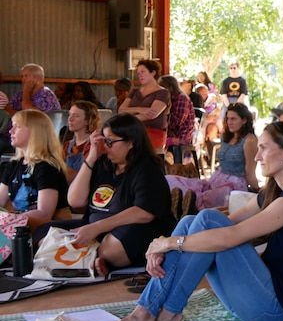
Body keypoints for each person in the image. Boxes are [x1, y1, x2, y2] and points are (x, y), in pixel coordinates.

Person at [106, 121, 283, 321]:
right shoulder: (275, 193)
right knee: (190, 221)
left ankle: (158, 312)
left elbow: (229, 234)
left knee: (206, 220)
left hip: (276, 309)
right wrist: (166, 243)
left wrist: (168, 243)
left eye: (263, 148)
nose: (256, 156)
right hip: (260, 298)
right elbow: (225, 222)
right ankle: (153, 313)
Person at [34, 114, 174, 276]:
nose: (105, 146)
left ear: (131, 142)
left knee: (118, 243)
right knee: (43, 231)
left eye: (110, 141)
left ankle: (89, 258)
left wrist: (97, 228)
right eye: (103, 141)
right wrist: (92, 156)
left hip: (129, 230)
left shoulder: (146, 170)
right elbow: (75, 201)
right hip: (96, 230)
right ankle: (94, 260)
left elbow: (144, 213)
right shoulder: (104, 164)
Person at [167, 103, 259, 210]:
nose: (229, 122)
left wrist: (258, 190)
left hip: (234, 184)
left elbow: (250, 171)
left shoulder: (249, 140)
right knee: (169, 179)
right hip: (216, 178)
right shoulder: (226, 136)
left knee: (206, 198)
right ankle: (184, 204)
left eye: (233, 119)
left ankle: (191, 207)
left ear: (244, 120)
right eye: (228, 118)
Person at [0, 110, 69, 227]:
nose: (11, 131)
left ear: (34, 132)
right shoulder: (13, 165)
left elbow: (44, 213)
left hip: (46, 228)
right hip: (20, 225)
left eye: (17, 127)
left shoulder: (47, 167)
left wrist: (12, 219)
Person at [0, 63, 61, 154]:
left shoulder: (46, 94)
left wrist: (26, 91)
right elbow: (10, 112)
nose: (23, 79)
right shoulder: (18, 95)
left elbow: (29, 114)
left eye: (26, 76)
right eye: (22, 76)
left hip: (35, 139)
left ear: (38, 78)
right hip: (10, 136)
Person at [120, 59, 171, 150]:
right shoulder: (134, 91)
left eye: (143, 72)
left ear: (153, 72)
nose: (140, 75)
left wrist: (127, 120)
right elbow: (121, 110)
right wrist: (139, 109)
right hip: (132, 130)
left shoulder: (163, 93)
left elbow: (152, 114)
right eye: (138, 73)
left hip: (153, 132)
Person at [62, 100, 102, 183]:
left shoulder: (94, 145)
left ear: (88, 120)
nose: (70, 119)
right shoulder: (67, 145)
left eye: (75, 116)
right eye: (69, 115)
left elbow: (85, 174)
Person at [159, 75, 196, 152]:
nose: (160, 90)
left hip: (181, 137)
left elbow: (176, 120)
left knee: (156, 142)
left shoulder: (181, 98)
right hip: (171, 133)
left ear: (171, 87)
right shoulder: (168, 98)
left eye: (163, 87)